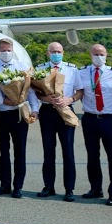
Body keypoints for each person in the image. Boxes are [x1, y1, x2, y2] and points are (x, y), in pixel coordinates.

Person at [73, 44, 112, 205]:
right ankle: (95, 189)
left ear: (106, 55)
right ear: (90, 55)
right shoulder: (82, 72)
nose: (98, 57)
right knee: (92, 156)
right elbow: (78, 92)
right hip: (90, 119)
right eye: (95, 54)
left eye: (101, 54)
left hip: (109, 119)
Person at [0, 39, 39, 198]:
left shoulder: (22, 66)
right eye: (3, 50)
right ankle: (5, 184)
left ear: (13, 50)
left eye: (8, 50)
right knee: (2, 152)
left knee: (20, 151)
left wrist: (35, 109)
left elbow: (30, 91)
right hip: (0, 114)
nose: (6, 53)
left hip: (19, 114)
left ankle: (18, 186)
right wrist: (4, 101)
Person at [35, 42, 78, 202]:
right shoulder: (40, 69)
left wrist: (69, 99)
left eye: (59, 51)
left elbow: (80, 91)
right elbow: (36, 92)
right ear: (48, 53)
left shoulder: (72, 69)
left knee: (68, 151)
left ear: (63, 52)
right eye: (53, 51)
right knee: (48, 151)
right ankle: (48, 186)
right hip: (47, 112)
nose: (56, 54)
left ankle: (69, 189)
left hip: (66, 111)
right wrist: (46, 98)